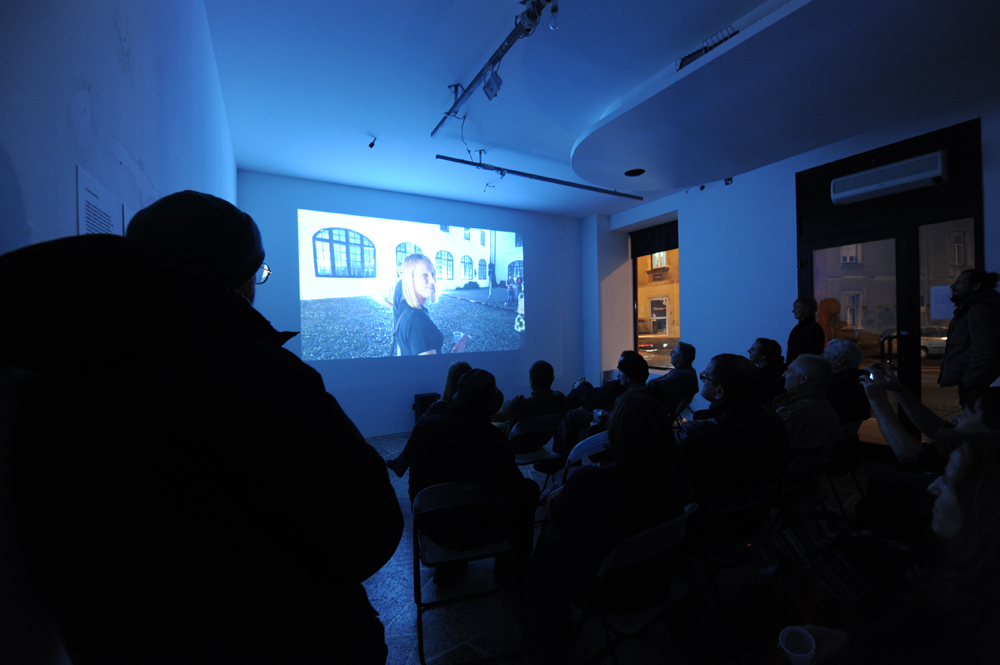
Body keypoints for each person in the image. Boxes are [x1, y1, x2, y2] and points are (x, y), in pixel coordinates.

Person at [4, 191, 403, 665]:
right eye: (257, 272)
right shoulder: (258, 377)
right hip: (291, 641)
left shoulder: (52, 383)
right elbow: (369, 527)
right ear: (236, 278)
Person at [523, 392, 691, 663]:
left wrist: (555, 499)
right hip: (658, 580)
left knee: (553, 533)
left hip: (607, 592)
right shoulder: (676, 477)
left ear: (616, 433)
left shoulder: (589, 481)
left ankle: (545, 627)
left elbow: (558, 516)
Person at [800, 436, 1000, 664]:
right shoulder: (977, 589)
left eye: (947, 482)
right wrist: (851, 642)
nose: (932, 487)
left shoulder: (934, 624)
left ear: (980, 509)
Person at [401, 369, 539, 576]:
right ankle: (513, 565)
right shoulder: (495, 443)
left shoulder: (426, 428)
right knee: (530, 488)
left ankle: (450, 564)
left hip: (434, 527)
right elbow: (516, 488)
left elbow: (415, 484)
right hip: (484, 529)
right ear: (490, 409)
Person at [675, 354, 788, 503]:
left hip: (703, 509)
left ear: (719, 392)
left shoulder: (699, 433)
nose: (703, 380)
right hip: (754, 508)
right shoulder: (774, 419)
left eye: (705, 377)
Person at [385, 361, 472, 477]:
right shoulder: (477, 407)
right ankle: (400, 464)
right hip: (467, 461)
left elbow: (418, 432)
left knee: (421, 424)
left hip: (442, 462)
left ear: (449, 381)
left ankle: (400, 464)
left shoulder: (439, 408)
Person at [938, 268, 1000, 405]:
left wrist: (969, 381)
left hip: (977, 385)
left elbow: (984, 351)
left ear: (976, 286)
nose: (952, 286)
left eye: (959, 283)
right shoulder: (972, 309)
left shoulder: (978, 311)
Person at [394, 253, 468, 355]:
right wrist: (458, 354)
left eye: (432, 274)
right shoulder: (419, 321)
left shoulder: (404, 306)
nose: (433, 280)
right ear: (410, 279)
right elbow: (430, 365)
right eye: (424, 275)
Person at [774, 353, 843, 452]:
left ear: (803, 379)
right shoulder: (825, 405)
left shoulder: (792, 413)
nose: (783, 374)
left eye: (789, 370)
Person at [494, 360, 568, 437]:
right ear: (552, 379)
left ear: (531, 380)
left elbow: (504, 410)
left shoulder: (519, 405)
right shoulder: (560, 399)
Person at [821, 339, 871, 426]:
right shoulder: (862, 379)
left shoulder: (833, 386)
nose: (821, 356)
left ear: (840, 361)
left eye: (825, 353)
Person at [646, 341, 699, 416]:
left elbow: (653, 384)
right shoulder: (685, 371)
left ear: (680, 358)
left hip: (658, 412)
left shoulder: (681, 375)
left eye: (673, 352)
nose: (670, 354)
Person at [748, 337, 787, 407]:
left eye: (753, 349)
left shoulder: (763, 377)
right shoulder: (784, 370)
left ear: (764, 355)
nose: (748, 351)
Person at [787, 297, 826, 365]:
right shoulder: (799, 328)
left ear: (807, 309)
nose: (793, 311)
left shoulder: (812, 329)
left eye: (797, 308)